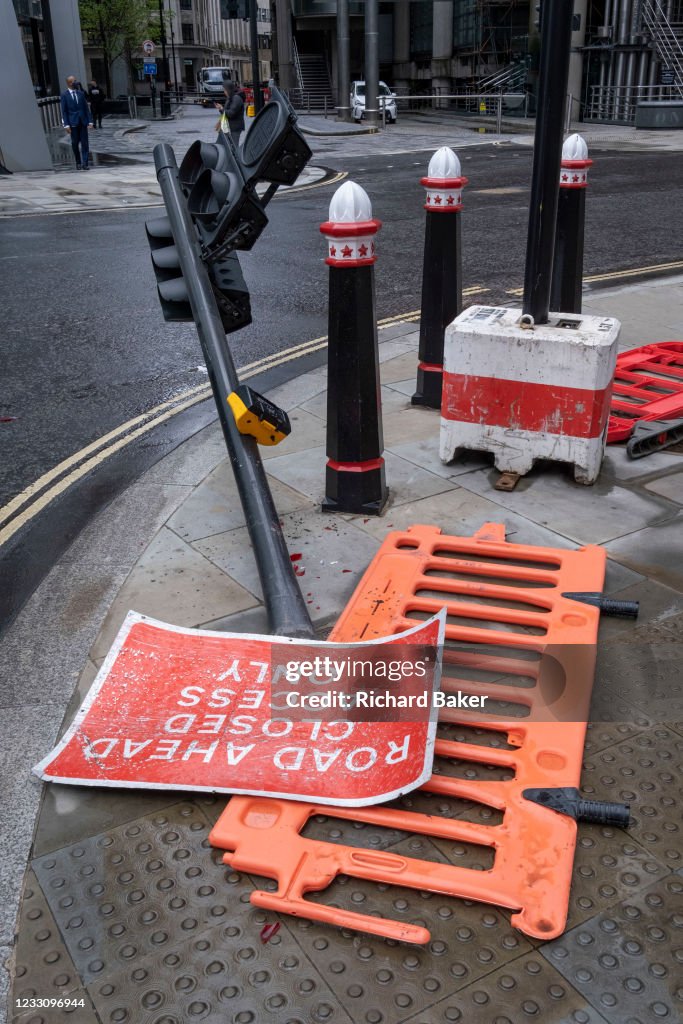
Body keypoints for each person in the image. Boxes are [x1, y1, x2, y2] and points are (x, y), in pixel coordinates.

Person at [60, 75, 93, 169]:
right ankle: (78, 162)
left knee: (85, 143)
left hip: (83, 122)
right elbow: (64, 111)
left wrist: (90, 121)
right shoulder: (64, 95)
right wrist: (66, 125)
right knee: (74, 143)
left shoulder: (81, 93)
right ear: (70, 83)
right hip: (72, 123)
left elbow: (86, 108)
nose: (76, 82)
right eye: (74, 81)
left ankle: (85, 163)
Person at [214, 81, 245, 148]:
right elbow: (226, 111)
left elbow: (231, 113)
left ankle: (236, 158)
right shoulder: (230, 97)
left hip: (235, 127)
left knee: (234, 146)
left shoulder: (236, 98)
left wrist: (222, 109)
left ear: (229, 90)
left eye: (225, 90)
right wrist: (220, 108)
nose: (224, 92)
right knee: (229, 146)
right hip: (229, 127)